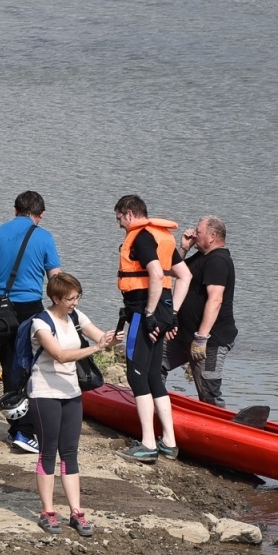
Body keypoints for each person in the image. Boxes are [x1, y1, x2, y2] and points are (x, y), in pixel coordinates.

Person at [28, 272, 118, 536]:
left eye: (77, 297)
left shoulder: (77, 317)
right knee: (48, 451)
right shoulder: (40, 323)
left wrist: (113, 340)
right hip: (44, 393)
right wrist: (95, 348)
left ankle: (76, 512)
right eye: (70, 299)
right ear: (55, 298)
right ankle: (47, 512)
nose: (75, 303)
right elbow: (59, 355)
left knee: (70, 452)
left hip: (71, 392)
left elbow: (101, 338)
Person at [0, 190, 62, 453]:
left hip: (1, 310)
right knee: (33, 368)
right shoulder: (44, 237)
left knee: (10, 366)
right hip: (29, 309)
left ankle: (17, 428)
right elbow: (56, 278)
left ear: (15, 210)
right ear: (41, 214)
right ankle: (26, 431)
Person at [113, 194, 191, 462]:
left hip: (142, 313)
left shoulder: (143, 237)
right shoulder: (163, 237)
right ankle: (169, 441)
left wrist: (148, 314)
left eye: (120, 219)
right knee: (154, 376)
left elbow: (157, 274)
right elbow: (185, 276)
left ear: (130, 213)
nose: (121, 225)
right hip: (162, 311)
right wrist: (173, 313)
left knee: (137, 376)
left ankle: (147, 443)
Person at [162, 216, 237, 407]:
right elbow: (172, 271)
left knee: (208, 390)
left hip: (210, 341)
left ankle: (220, 430)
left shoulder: (218, 260)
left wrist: (201, 338)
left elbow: (216, 299)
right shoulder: (202, 256)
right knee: (155, 363)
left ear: (212, 236)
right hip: (182, 336)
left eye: (198, 231)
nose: (193, 234)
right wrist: (184, 249)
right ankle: (157, 407)